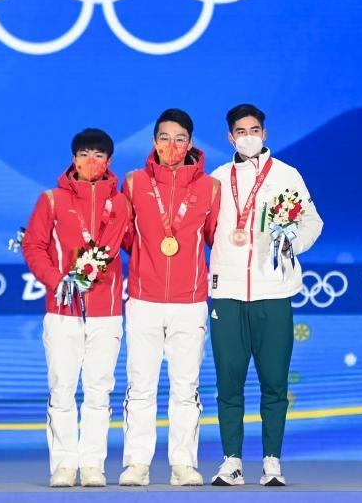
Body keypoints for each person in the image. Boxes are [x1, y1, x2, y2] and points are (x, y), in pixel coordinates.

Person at [207, 104, 323, 486]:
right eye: (241, 131)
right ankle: (232, 461)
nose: (248, 137)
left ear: (265, 133)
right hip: (228, 294)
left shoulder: (287, 175)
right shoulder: (217, 179)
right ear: (230, 138)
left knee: (274, 382)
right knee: (229, 382)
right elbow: (205, 231)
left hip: (274, 291)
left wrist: (292, 245)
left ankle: (272, 461)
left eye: (254, 130)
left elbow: (313, 222)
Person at [21, 128, 133, 488]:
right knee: (62, 388)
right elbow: (34, 246)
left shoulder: (121, 204)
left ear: (109, 161)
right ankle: (64, 465)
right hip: (62, 311)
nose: (91, 161)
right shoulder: (52, 200)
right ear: (73, 159)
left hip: (106, 312)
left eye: (99, 155)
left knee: (99, 391)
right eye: (84, 154)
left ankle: (93, 465)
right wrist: (57, 281)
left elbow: (134, 245)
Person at [118, 108, 220, 487]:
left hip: (190, 302)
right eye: (165, 138)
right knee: (140, 386)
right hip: (143, 299)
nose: (172, 145)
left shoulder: (210, 188)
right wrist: (148, 262)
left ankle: (183, 465)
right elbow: (124, 236)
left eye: (180, 139)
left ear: (190, 143)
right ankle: (136, 464)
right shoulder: (134, 183)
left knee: (186, 387)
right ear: (154, 141)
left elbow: (215, 239)